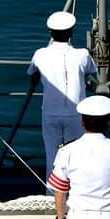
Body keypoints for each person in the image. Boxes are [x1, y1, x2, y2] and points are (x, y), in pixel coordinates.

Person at [27, 11, 97, 191]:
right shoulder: (82, 54)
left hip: (50, 112)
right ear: (71, 33)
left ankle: (53, 195)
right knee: (76, 156)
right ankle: (76, 192)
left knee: (52, 155)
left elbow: (32, 72)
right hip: (76, 114)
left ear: (50, 33)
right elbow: (91, 70)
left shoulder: (40, 54)